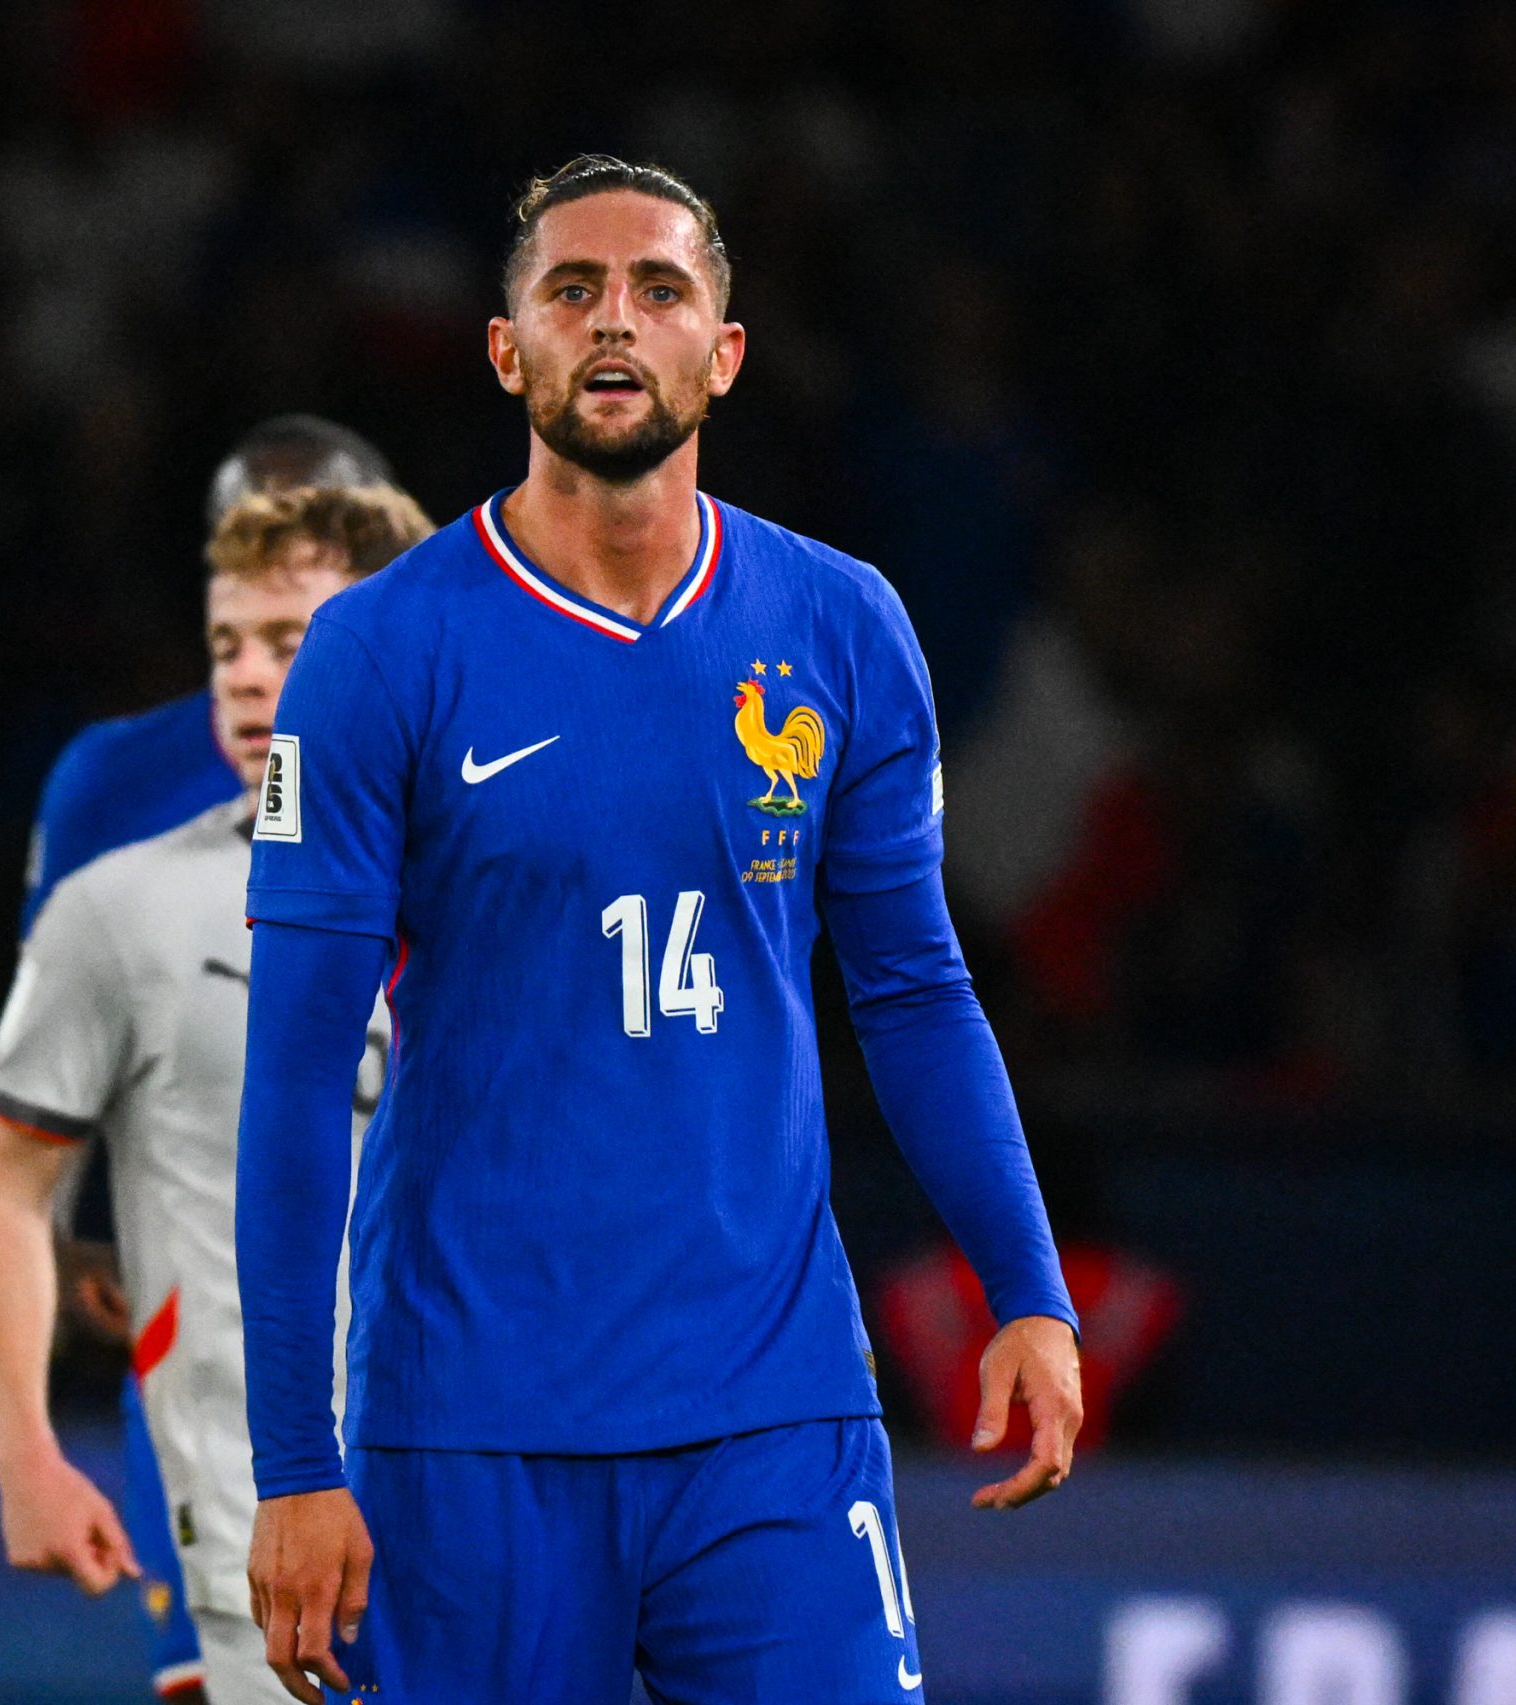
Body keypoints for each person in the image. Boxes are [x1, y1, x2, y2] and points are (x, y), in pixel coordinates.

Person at [236, 155, 1087, 1705]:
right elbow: (295, 1075)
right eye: (572, 290)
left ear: (725, 352)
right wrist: (295, 1461)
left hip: (771, 1406)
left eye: (659, 289)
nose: (615, 320)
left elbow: (913, 991)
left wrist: (1025, 1287)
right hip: (471, 1421)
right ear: (509, 352)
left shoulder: (840, 625)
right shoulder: (378, 652)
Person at [0, 480, 430, 1704]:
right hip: (260, 1536)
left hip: (520, 1509)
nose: (246, 677)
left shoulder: (533, 881)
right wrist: (23, 1451)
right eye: (227, 645)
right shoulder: (121, 909)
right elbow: (3, 1187)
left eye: (288, 640)